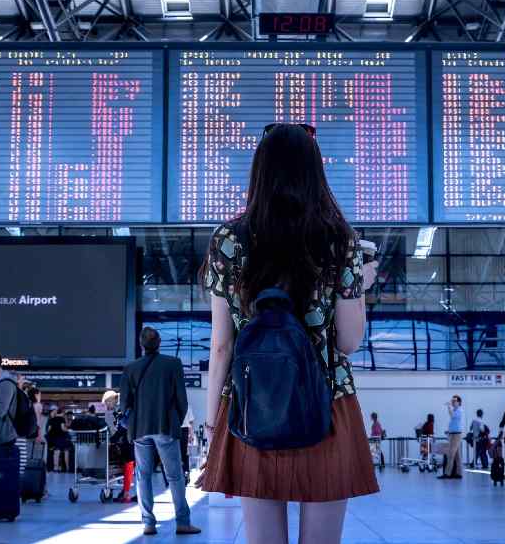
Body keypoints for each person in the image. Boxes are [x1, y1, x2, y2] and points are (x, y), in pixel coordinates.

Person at [197, 123, 380, 544]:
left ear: (259, 172)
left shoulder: (229, 239)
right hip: (327, 404)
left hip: (252, 404)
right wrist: (358, 288)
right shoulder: (340, 240)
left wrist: (212, 424)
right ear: (315, 172)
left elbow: (222, 344)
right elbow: (349, 342)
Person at [120, 327, 200, 536]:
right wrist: (175, 421)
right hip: (165, 426)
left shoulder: (130, 368)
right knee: (174, 476)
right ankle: (183, 522)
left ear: (140, 344)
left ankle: (148, 523)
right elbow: (182, 400)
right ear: (159, 343)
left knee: (143, 476)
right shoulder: (172, 364)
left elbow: (123, 404)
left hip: (139, 429)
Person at [438, 395, 464, 480]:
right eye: (452, 401)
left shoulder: (459, 410)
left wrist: (448, 407)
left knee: (450, 454)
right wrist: (448, 431)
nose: (453, 402)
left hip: (456, 435)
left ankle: (447, 473)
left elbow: (452, 416)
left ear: (459, 402)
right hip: (452, 434)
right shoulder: (455, 410)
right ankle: (459, 473)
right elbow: (454, 423)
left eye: (455, 401)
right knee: (457, 455)